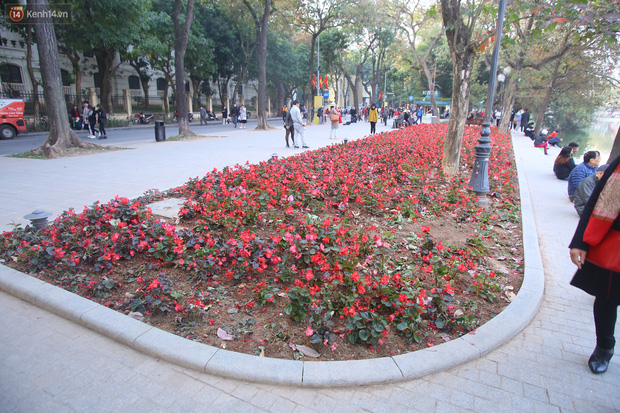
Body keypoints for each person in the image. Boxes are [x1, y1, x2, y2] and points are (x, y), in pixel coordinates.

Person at [569, 154, 620, 374]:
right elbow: (597, 199)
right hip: (615, 245)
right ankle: (605, 346)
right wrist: (579, 241)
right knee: (608, 298)